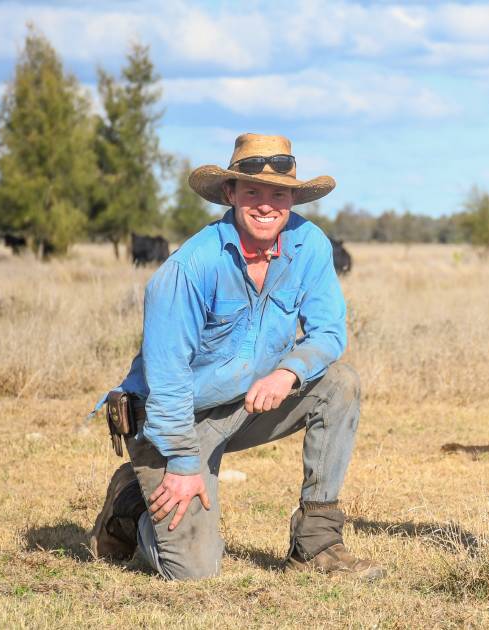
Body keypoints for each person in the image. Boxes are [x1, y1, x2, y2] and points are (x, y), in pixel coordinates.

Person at [88, 133, 381, 581]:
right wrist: (184, 465)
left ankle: (317, 542)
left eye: (278, 193)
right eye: (253, 192)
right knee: (194, 571)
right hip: (172, 422)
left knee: (340, 383)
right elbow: (167, 384)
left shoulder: (310, 245)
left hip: (246, 405)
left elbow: (328, 332)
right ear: (230, 194)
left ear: (293, 198)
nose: (266, 205)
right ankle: (130, 503)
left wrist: (288, 372)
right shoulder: (189, 268)